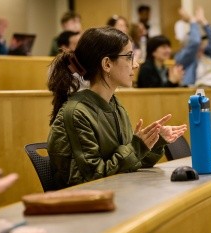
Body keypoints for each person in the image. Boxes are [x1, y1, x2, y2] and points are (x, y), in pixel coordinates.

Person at [47, 27, 187, 188]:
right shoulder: (77, 113)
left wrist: (151, 142)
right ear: (107, 64)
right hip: (82, 207)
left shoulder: (114, 104)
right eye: (129, 57)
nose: (135, 65)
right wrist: (137, 147)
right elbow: (93, 178)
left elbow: (129, 164)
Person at [174, 7, 211, 87]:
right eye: (200, 42)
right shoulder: (183, 57)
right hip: (194, 92)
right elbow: (195, 42)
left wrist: (203, 21)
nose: (201, 44)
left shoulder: (206, 53)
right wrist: (192, 20)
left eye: (202, 42)